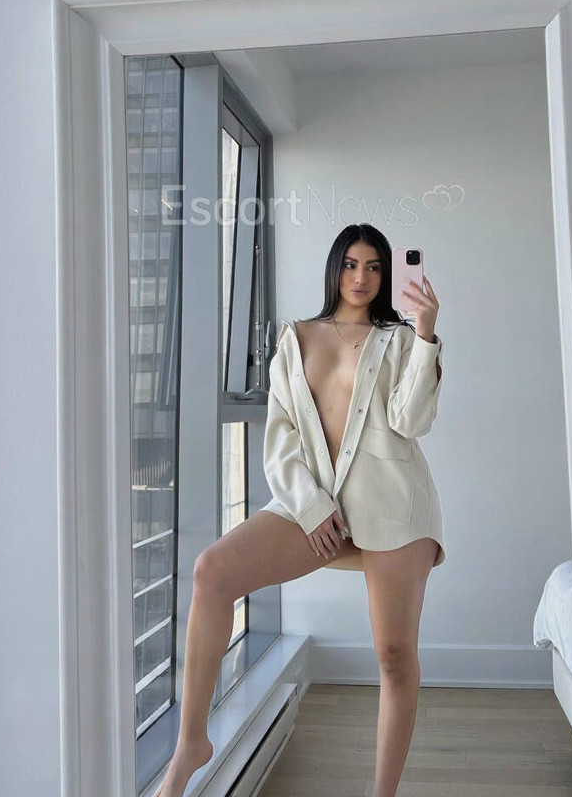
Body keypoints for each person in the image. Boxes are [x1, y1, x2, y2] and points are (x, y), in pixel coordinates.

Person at [155, 223, 445, 797]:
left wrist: (427, 334)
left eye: (375, 267)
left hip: (394, 504)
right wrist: (311, 507)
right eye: (351, 264)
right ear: (335, 268)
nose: (361, 278)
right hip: (312, 503)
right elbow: (281, 433)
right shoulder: (296, 337)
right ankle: (191, 743)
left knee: (393, 655)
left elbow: (412, 422)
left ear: (388, 275)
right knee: (212, 572)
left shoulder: (401, 339)